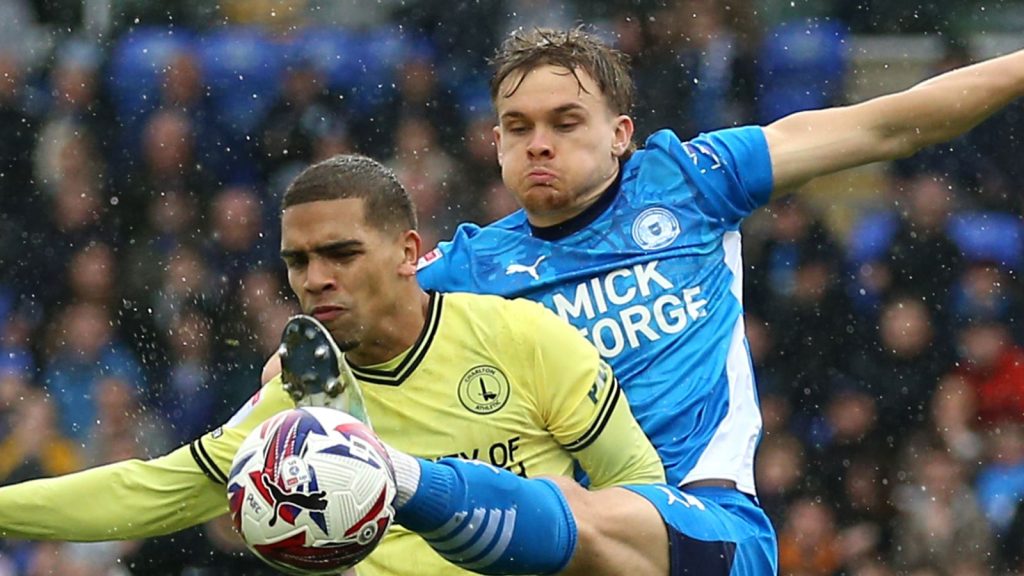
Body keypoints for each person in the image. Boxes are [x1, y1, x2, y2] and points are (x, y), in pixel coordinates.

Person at [276, 26, 1024, 576]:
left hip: (707, 527)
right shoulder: (470, 266)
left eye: (566, 123)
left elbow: (892, 122)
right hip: (559, 546)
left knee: (571, 512)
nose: (540, 143)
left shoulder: (694, 181)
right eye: (518, 127)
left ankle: (407, 485)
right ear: (495, 145)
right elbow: (328, 341)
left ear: (620, 134)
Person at [0, 154, 665, 576]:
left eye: (341, 254)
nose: (315, 279)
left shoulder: (521, 338)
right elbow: (149, 491)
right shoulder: (300, 401)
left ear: (408, 250)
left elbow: (642, 496)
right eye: (298, 261)